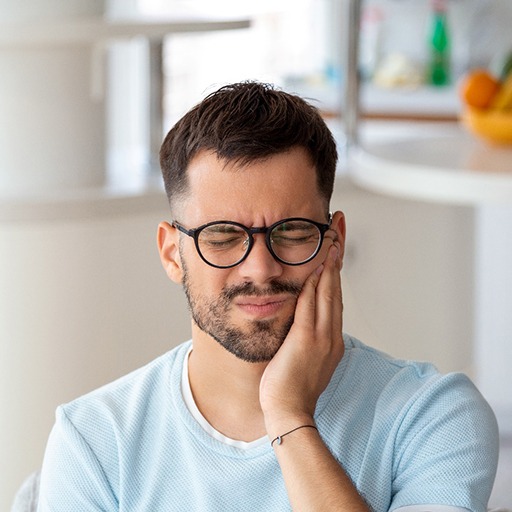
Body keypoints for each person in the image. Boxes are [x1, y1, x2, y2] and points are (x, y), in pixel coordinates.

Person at [37, 81, 499, 512]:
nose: (260, 268)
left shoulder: (432, 415)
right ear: (171, 253)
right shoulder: (94, 441)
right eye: (221, 236)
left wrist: (288, 415)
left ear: (334, 242)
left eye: (293, 232)